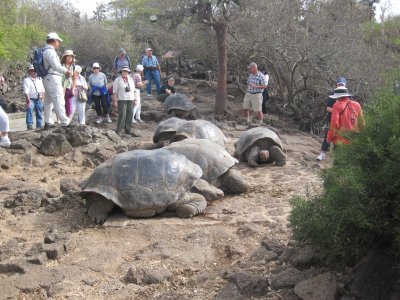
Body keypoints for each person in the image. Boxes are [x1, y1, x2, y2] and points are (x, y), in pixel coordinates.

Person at [42, 32, 71, 128]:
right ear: (54, 41)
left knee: (48, 101)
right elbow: (56, 65)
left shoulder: (44, 51)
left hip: (48, 78)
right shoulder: (50, 52)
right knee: (58, 99)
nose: (59, 43)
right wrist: (65, 71)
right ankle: (64, 121)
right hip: (52, 77)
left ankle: (48, 121)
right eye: (58, 41)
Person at [317, 77, 347, 161]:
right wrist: (338, 110)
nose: (340, 85)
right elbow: (328, 108)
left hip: (342, 121)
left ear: (345, 85)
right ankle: (322, 154)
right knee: (327, 136)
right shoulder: (333, 95)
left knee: (339, 138)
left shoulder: (348, 95)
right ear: (337, 84)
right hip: (331, 119)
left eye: (342, 84)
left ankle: (336, 158)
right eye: (339, 84)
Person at [112, 66, 135, 135]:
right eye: (123, 71)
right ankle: (119, 130)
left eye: (126, 71)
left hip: (130, 99)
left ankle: (128, 129)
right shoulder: (117, 80)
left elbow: (133, 90)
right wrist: (115, 101)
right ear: (121, 72)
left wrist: (135, 99)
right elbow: (115, 92)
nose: (125, 72)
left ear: (128, 72)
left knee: (130, 114)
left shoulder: (131, 79)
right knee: (122, 114)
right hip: (122, 99)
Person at [23, 64, 45, 130]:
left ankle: (39, 125)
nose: (34, 72)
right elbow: (26, 91)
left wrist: (43, 98)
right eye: (32, 71)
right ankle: (29, 124)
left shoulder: (39, 79)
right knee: (30, 109)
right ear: (29, 71)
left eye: (35, 71)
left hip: (39, 98)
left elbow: (42, 89)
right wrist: (28, 100)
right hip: (31, 98)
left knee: (39, 111)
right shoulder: (26, 80)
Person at [61, 50, 75, 119]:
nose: (70, 58)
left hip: (69, 87)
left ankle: (68, 119)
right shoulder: (61, 66)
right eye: (68, 56)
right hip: (60, 86)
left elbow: (74, 79)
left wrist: (73, 89)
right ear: (65, 57)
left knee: (69, 104)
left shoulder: (73, 67)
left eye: (71, 57)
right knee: (60, 103)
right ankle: (59, 120)